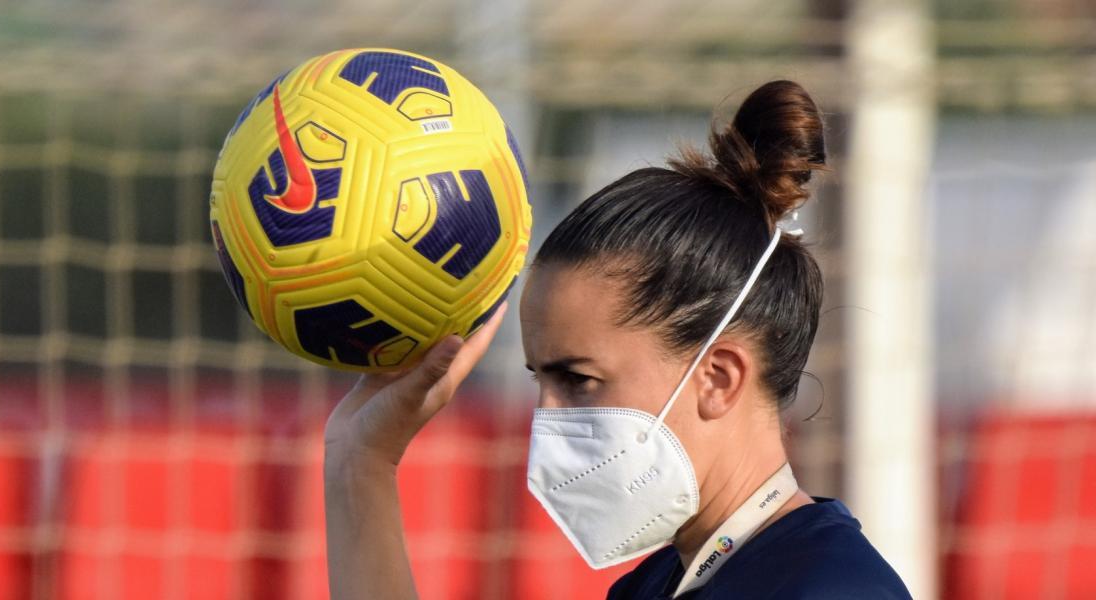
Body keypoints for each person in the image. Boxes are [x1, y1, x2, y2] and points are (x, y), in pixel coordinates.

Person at [323, 80, 912, 599]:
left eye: (576, 380)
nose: (546, 419)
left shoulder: (830, 588)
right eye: (541, 380)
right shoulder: (659, 584)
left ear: (718, 377)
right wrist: (361, 462)